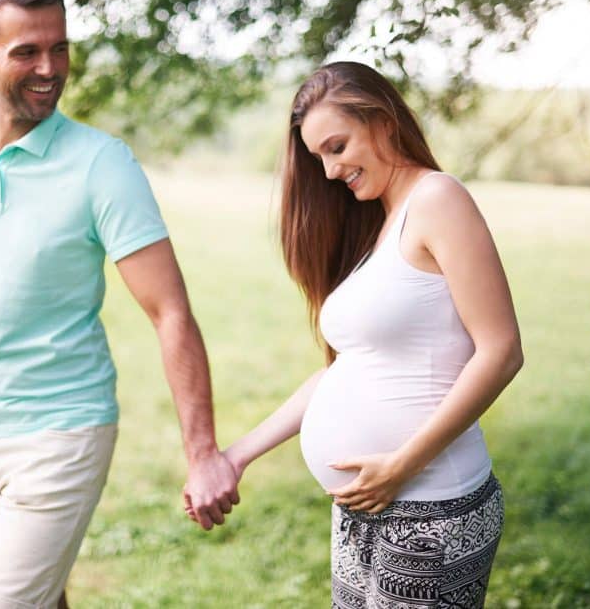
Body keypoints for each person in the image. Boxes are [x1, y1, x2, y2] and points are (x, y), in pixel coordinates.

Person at [0, 0, 239, 609]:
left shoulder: (103, 165)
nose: (50, 67)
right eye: (27, 52)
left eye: (60, 47)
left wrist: (203, 451)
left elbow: (170, 312)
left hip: (64, 432)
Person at [195, 62, 524, 608]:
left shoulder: (437, 199)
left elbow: (501, 351)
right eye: (319, 156)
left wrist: (402, 465)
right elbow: (347, 370)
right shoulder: (380, 223)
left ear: (383, 120)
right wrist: (238, 455)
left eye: (337, 145)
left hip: (431, 508)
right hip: (367, 507)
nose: (329, 170)